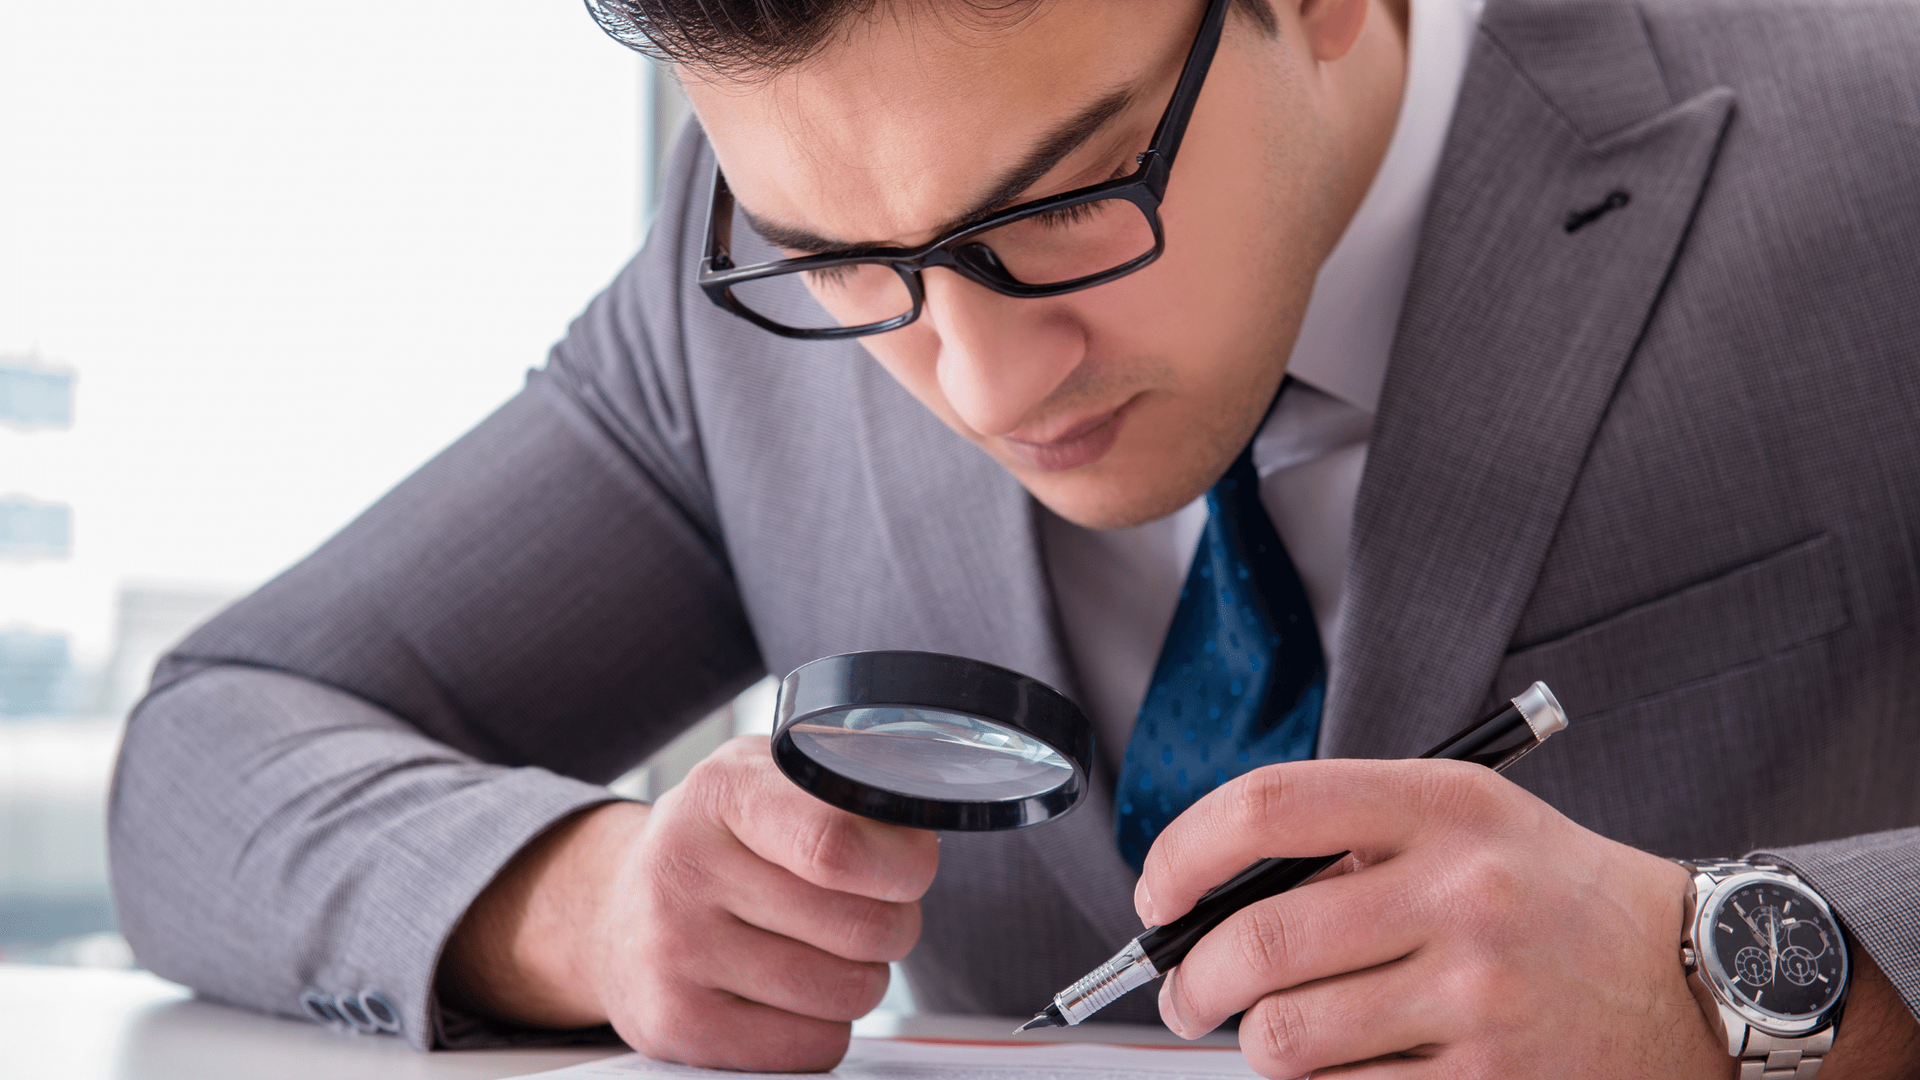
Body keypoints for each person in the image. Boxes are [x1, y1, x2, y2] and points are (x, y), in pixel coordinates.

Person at [108, 0, 1920, 1075]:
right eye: (841, 258)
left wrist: (1746, 966)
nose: (978, 376)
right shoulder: (729, 301)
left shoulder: (1876, 135)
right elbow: (210, 753)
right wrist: (592, 908)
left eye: (1065, 204)